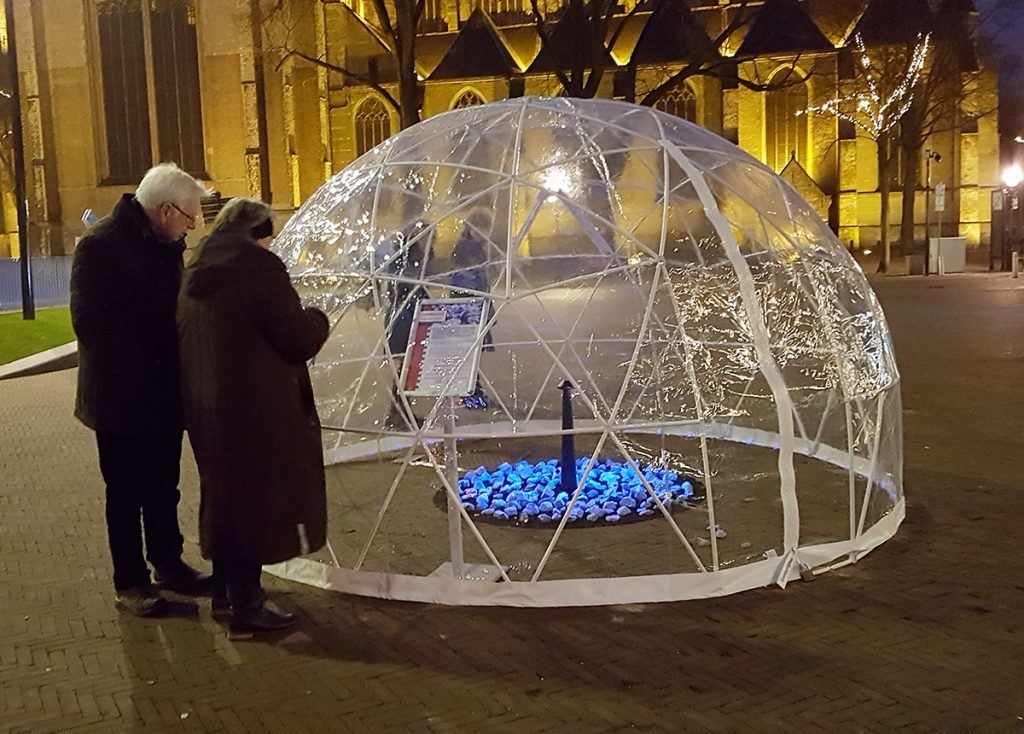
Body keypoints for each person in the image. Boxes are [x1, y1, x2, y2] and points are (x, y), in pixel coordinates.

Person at [177, 198, 330, 637]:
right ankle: (248, 606)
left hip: (209, 407)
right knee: (254, 502)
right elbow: (295, 338)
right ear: (260, 231)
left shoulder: (196, 268)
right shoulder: (259, 268)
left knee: (226, 494)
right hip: (255, 408)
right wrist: (318, 318)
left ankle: (226, 592)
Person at [70, 163, 212, 617]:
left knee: (163, 485)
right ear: (165, 210)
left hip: (162, 394)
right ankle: (129, 581)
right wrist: (151, 361)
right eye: (189, 217)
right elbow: (91, 325)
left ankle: (167, 563)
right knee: (125, 492)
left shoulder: (165, 243)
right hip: (121, 399)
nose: (192, 227)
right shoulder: (100, 246)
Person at [449, 209, 495, 409]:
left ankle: (473, 391)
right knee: (470, 350)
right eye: (480, 230)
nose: (484, 235)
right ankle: (471, 393)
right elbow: (466, 279)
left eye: (485, 230)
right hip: (467, 306)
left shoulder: (475, 247)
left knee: (472, 351)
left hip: (474, 304)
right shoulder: (466, 248)